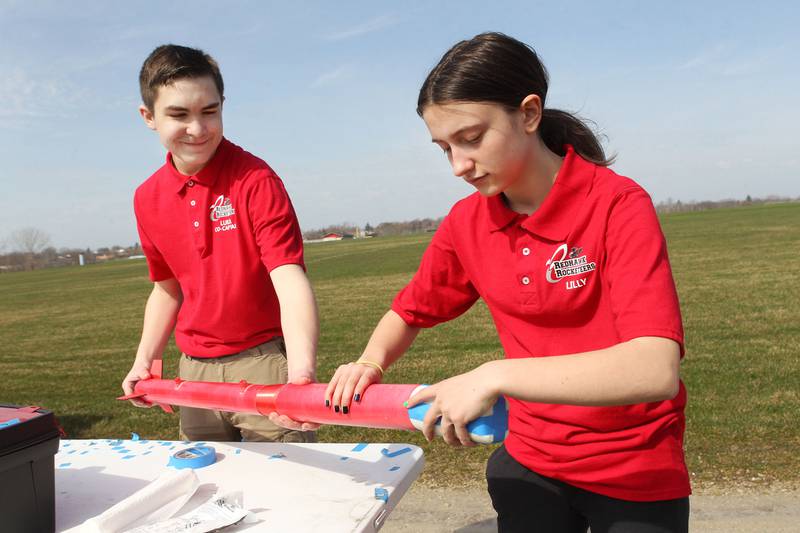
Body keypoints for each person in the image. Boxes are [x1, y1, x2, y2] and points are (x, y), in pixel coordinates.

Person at [326, 32, 690, 532]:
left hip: (631, 470)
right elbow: (410, 310)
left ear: (529, 113)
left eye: (472, 139)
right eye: (444, 147)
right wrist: (370, 360)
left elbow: (653, 368)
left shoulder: (617, 205)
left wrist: (492, 376)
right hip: (528, 463)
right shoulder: (466, 223)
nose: (458, 165)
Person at [122, 44, 319, 443]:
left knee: (289, 486)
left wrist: (300, 375)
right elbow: (166, 288)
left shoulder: (256, 180)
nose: (197, 128)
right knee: (209, 487)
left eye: (209, 112)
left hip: (262, 361)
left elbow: (289, 277)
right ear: (148, 117)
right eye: (178, 114)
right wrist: (145, 360)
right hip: (193, 372)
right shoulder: (147, 197)